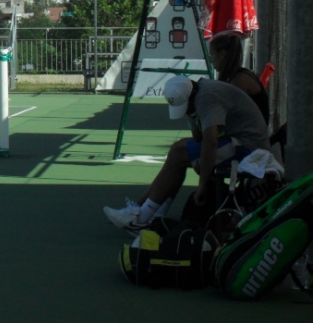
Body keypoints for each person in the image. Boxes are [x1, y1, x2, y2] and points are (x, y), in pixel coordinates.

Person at [103, 75, 270, 233]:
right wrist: (191, 116)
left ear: (190, 97)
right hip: (239, 141)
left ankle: (141, 218)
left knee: (179, 154)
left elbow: (210, 142)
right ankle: (148, 212)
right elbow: (198, 138)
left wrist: (202, 184)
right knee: (177, 149)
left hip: (250, 149)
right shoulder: (197, 92)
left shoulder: (207, 98)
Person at [209, 33, 270, 124]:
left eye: (212, 55)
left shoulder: (239, 80)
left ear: (222, 55)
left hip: (251, 137)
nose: (211, 60)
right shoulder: (236, 77)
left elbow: (224, 117)